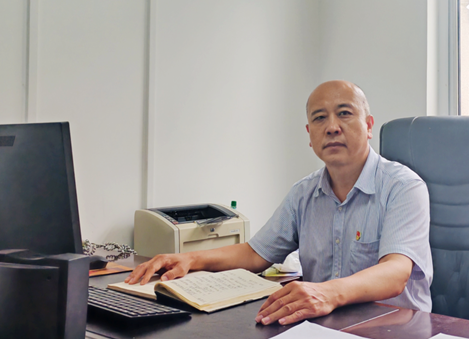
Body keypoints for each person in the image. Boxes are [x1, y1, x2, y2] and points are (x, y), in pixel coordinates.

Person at [126, 80, 432, 325]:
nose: (332, 127)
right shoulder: (304, 193)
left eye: (344, 113)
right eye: (319, 118)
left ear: (369, 125)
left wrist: (328, 293)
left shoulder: (403, 187)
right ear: (310, 135)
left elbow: (395, 273)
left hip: (397, 330)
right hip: (325, 328)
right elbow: (255, 254)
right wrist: (190, 259)